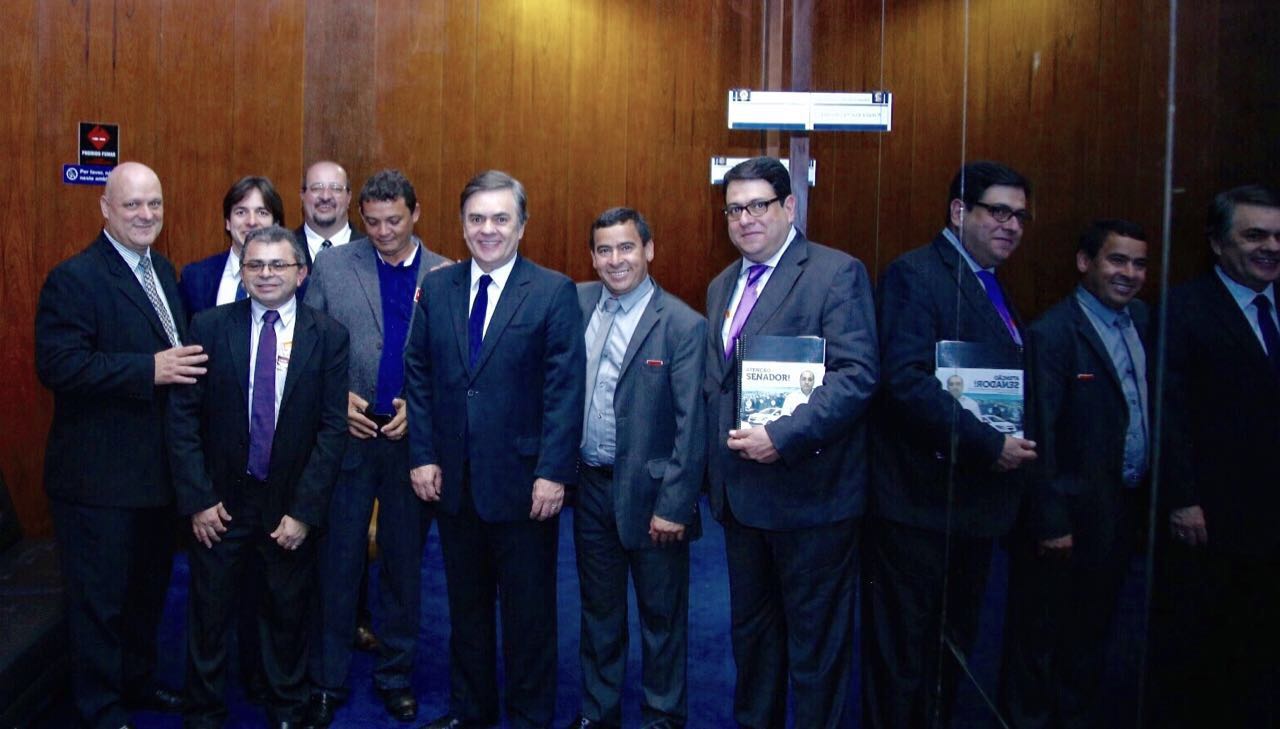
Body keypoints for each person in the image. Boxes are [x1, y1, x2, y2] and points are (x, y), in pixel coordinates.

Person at [405, 170, 585, 729]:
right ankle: (471, 712)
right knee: (466, 610)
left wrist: (553, 472)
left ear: (522, 225)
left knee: (529, 616)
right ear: (462, 226)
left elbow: (564, 390)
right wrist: (423, 454)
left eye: (500, 218)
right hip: (454, 481)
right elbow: (419, 374)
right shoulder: (438, 287)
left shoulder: (553, 291)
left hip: (526, 485)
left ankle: (530, 717)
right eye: (477, 218)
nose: (488, 229)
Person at [704, 156, 879, 728]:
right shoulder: (722, 285)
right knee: (753, 641)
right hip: (741, 499)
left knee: (815, 648)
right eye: (734, 209)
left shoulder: (835, 273)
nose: (745, 219)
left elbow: (857, 377)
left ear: (789, 207)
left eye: (758, 205)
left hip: (811, 498)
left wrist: (781, 436)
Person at [863, 161, 1037, 728]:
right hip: (919, 504)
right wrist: (989, 445)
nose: (1011, 226)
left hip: (969, 505)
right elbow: (905, 382)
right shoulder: (917, 274)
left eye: (1020, 217)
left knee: (951, 646)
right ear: (960, 211)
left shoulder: (990, 282)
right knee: (904, 652)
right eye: (999, 212)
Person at [35, 161, 207, 729]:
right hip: (98, 482)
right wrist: (147, 370)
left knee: (146, 593)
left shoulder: (163, 269)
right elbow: (59, 365)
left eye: (154, 203)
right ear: (105, 208)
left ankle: (137, 682)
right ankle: (101, 709)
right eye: (132, 204)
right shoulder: (74, 278)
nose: (145, 214)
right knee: (100, 604)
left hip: (156, 478)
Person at [167, 225, 349, 729]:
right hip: (219, 501)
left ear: (301, 273)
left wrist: (305, 511)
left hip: (288, 501)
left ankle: (286, 705)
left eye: (278, 265)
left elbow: (333, 430)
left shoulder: (328, 335)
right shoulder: (208, 326)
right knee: (208, 612)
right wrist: (198, 499)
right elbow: (183, 418)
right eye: (255, 265)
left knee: (287, 609)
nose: (266, 274)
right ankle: (203, 710)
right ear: (243, 273)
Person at [302, 169, 449, 726]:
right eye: (373, 222)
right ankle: (326, 680)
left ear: (416, 213)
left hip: (411, 442)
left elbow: (455, 362)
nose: (384, 232)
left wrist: (421, 406)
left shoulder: (446, 275)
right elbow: (307, 342)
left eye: (394, 220)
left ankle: (394, 676)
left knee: (403, 568)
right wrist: (335, 399)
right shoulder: (333, 266)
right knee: (337, 564)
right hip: (348, 437)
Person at [998, 219, 1151, 728]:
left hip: (1119, 512)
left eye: (1139, 264)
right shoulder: (1053, 333)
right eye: (1117, 260)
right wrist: (1050, 520)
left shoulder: (1144, 321)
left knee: (1091, 641)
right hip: (1064, 522)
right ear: (1085, 263)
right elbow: (1039, 430)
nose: (1129, 273)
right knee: (1039, 646)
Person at [569, 207, 707, 729]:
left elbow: (692, 427)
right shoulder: (577, 303)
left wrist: (676, 505)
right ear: (592, 257)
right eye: (604, 249)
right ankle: (598, 712)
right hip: (591, 487)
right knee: (598, 612)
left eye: (626, 247)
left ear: (648, 250)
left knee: (661, 617)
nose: (615, 260)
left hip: (654, 498)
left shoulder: (683, 325)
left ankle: (662, 716)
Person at [1152, 184, 1280, 728]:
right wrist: (1182, 499)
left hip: (1274, 523)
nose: (1271, 247)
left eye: (1278, 236)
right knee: (1205, 663)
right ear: (1217, 243)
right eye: (1255, 235)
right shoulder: (1183, 308)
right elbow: (1169, 411)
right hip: (1211, 524)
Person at [179, 176, 286, 318]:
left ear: (275, 224)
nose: (251, 222)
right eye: (241, 212)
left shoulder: (295, 281)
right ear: (228, 222)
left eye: (262, 212)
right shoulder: (195, 278)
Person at [296, 160, 362, 267]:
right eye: (316, 188)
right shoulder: (282, 247)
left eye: (336, 188)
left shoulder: (373, 252)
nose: (325, 196)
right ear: (302, 195)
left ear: (349, 197)